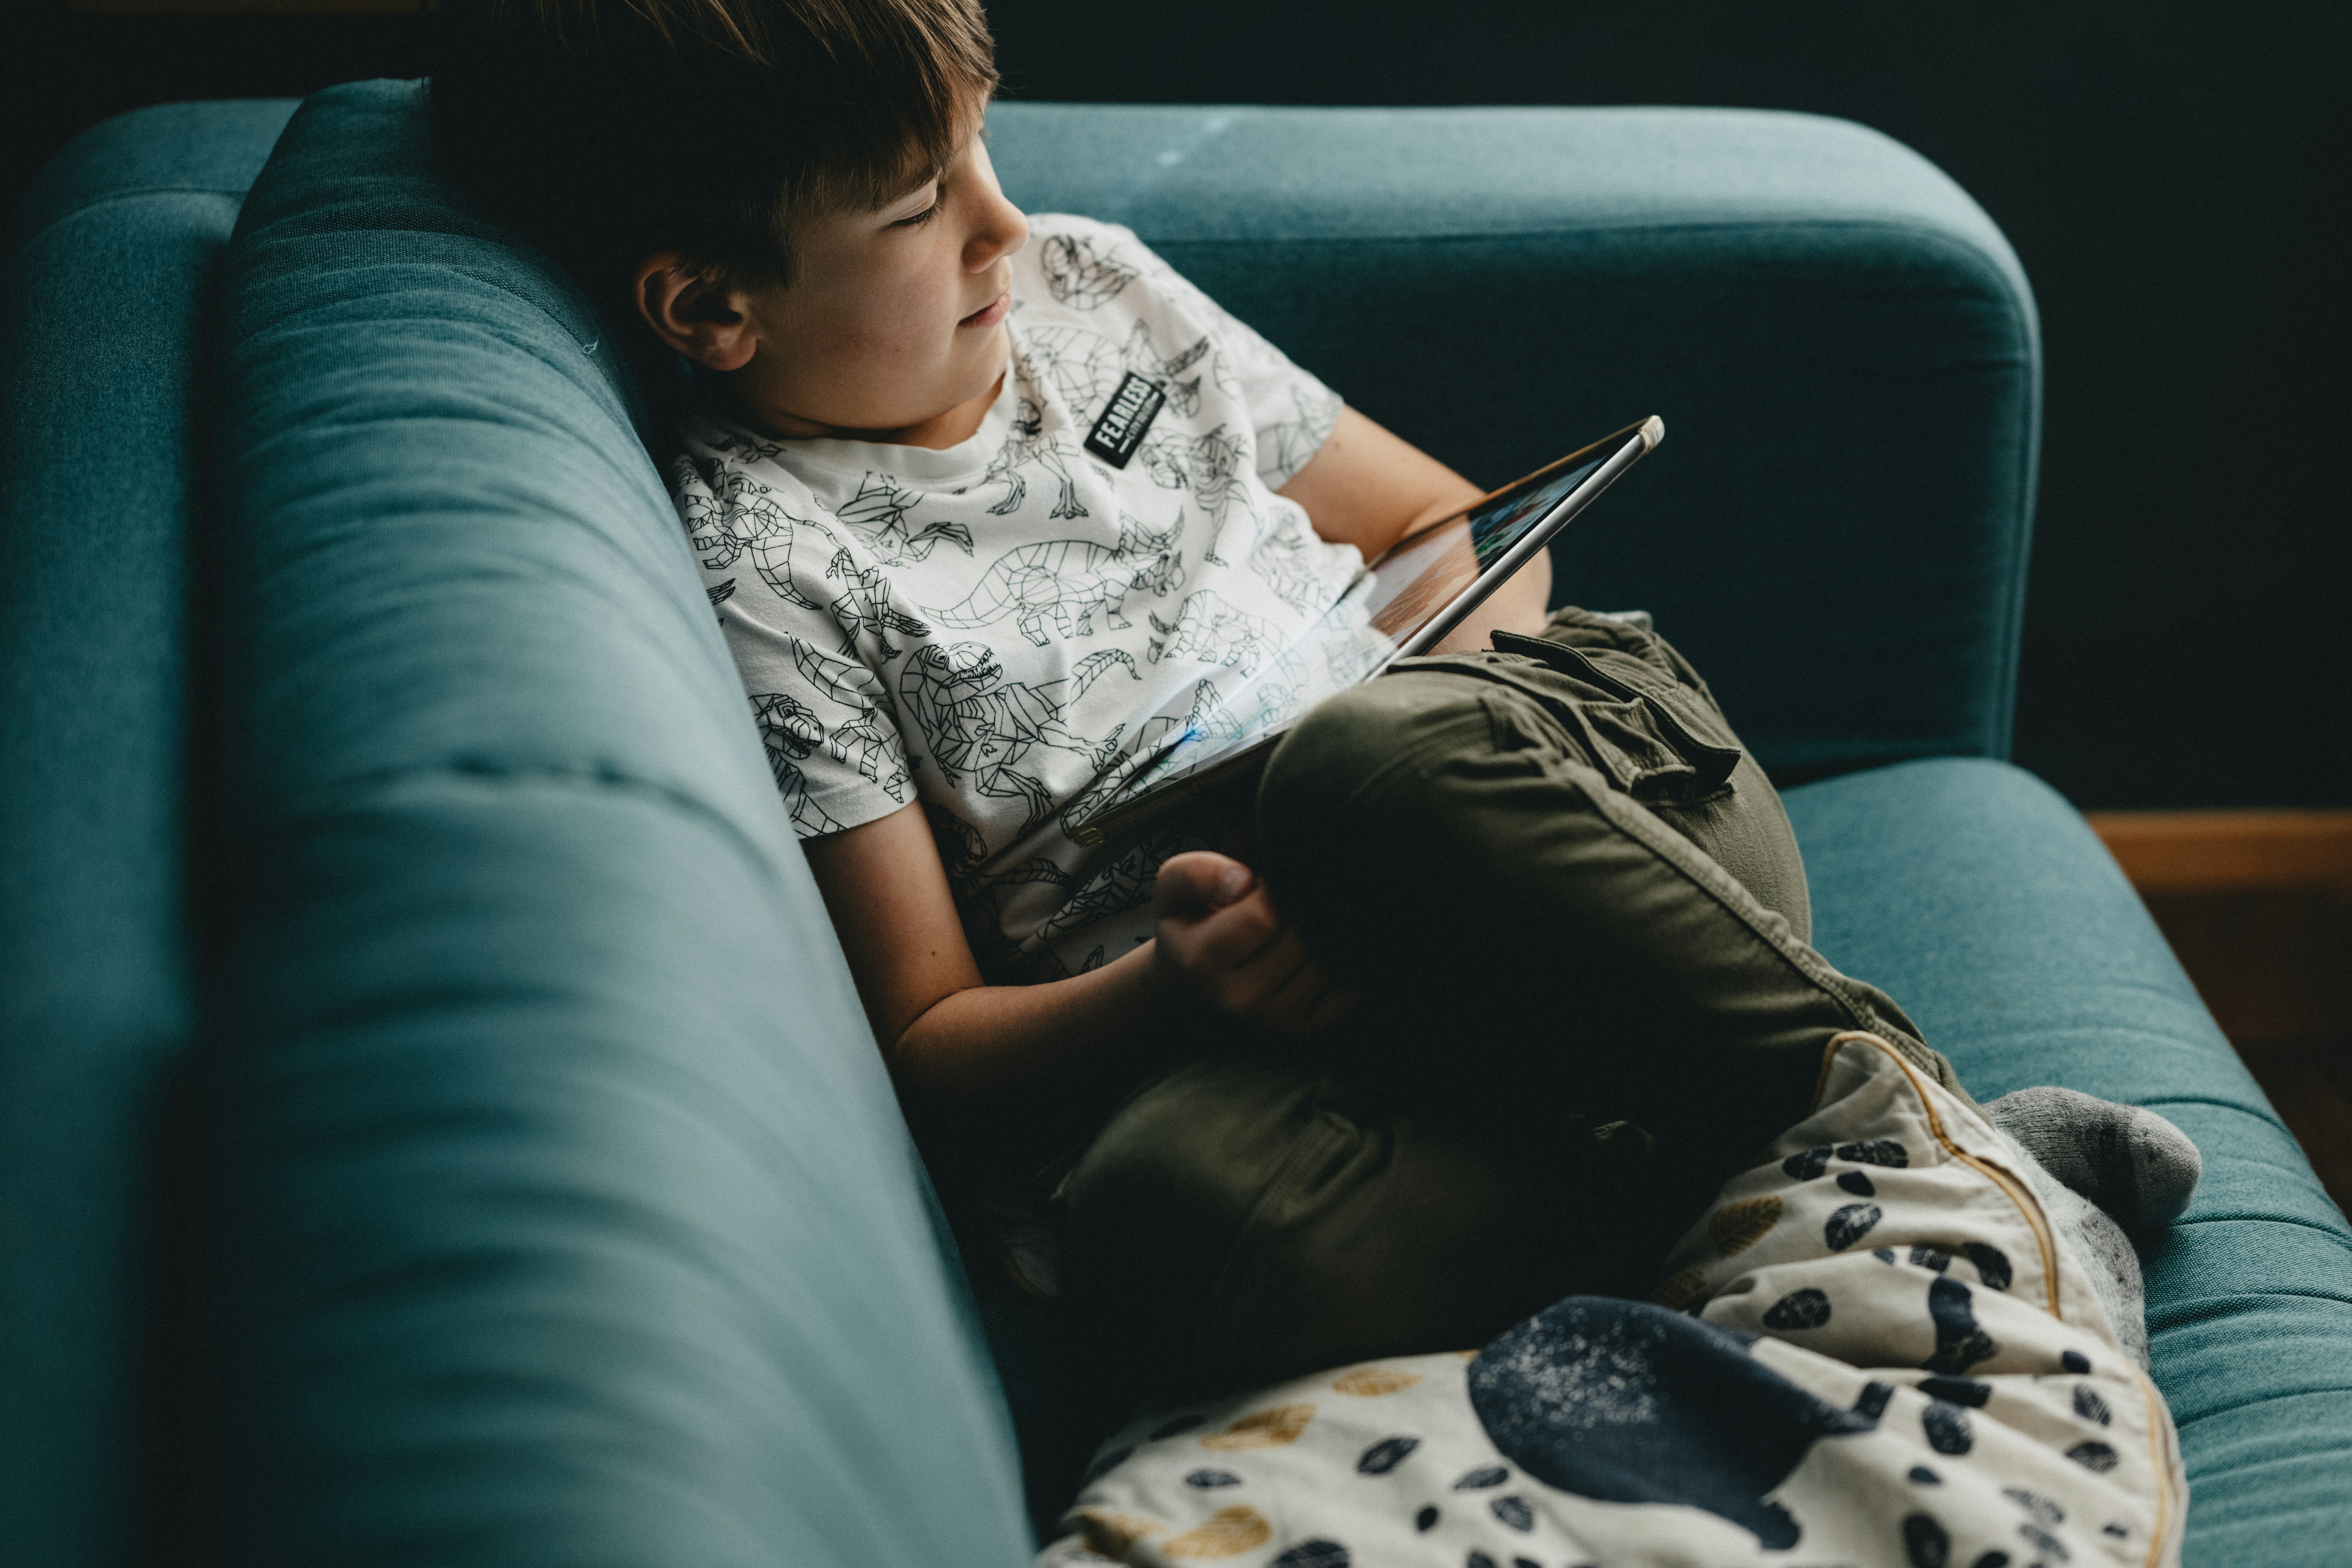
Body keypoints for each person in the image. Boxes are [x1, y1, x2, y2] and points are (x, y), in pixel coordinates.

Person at [427, 0, 2199, 1408]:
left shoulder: (1097, 293)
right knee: (1172, 1227)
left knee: (1371, 763)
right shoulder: (767, 567)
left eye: (982, 149)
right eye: (920, 208)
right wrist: (1169, 990)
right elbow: (930, 1047)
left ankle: (1922, 1132)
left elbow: (1447, 523)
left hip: (1575, 816)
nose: (1005, 224)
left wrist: (1448, 704)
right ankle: (1739, 1164)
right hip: (1315, 1032)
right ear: (709, 307)